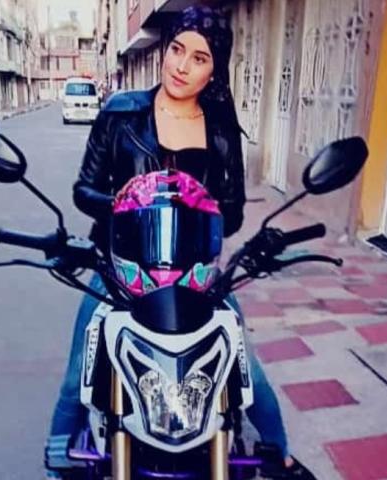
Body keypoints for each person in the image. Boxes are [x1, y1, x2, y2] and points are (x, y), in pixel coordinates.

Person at [46, 6, 317, 480]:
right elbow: (84, 190)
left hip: (195, 276)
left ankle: (281, 456)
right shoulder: (120, 112)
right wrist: (125, 207)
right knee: (77, 378)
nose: (181, 66)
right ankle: (56, 459)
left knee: (248, 374)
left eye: (199, 58)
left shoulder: (220, 128)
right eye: (176, 50)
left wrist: (200, 210)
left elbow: (232, 211)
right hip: (121, 269)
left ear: (215, 69)